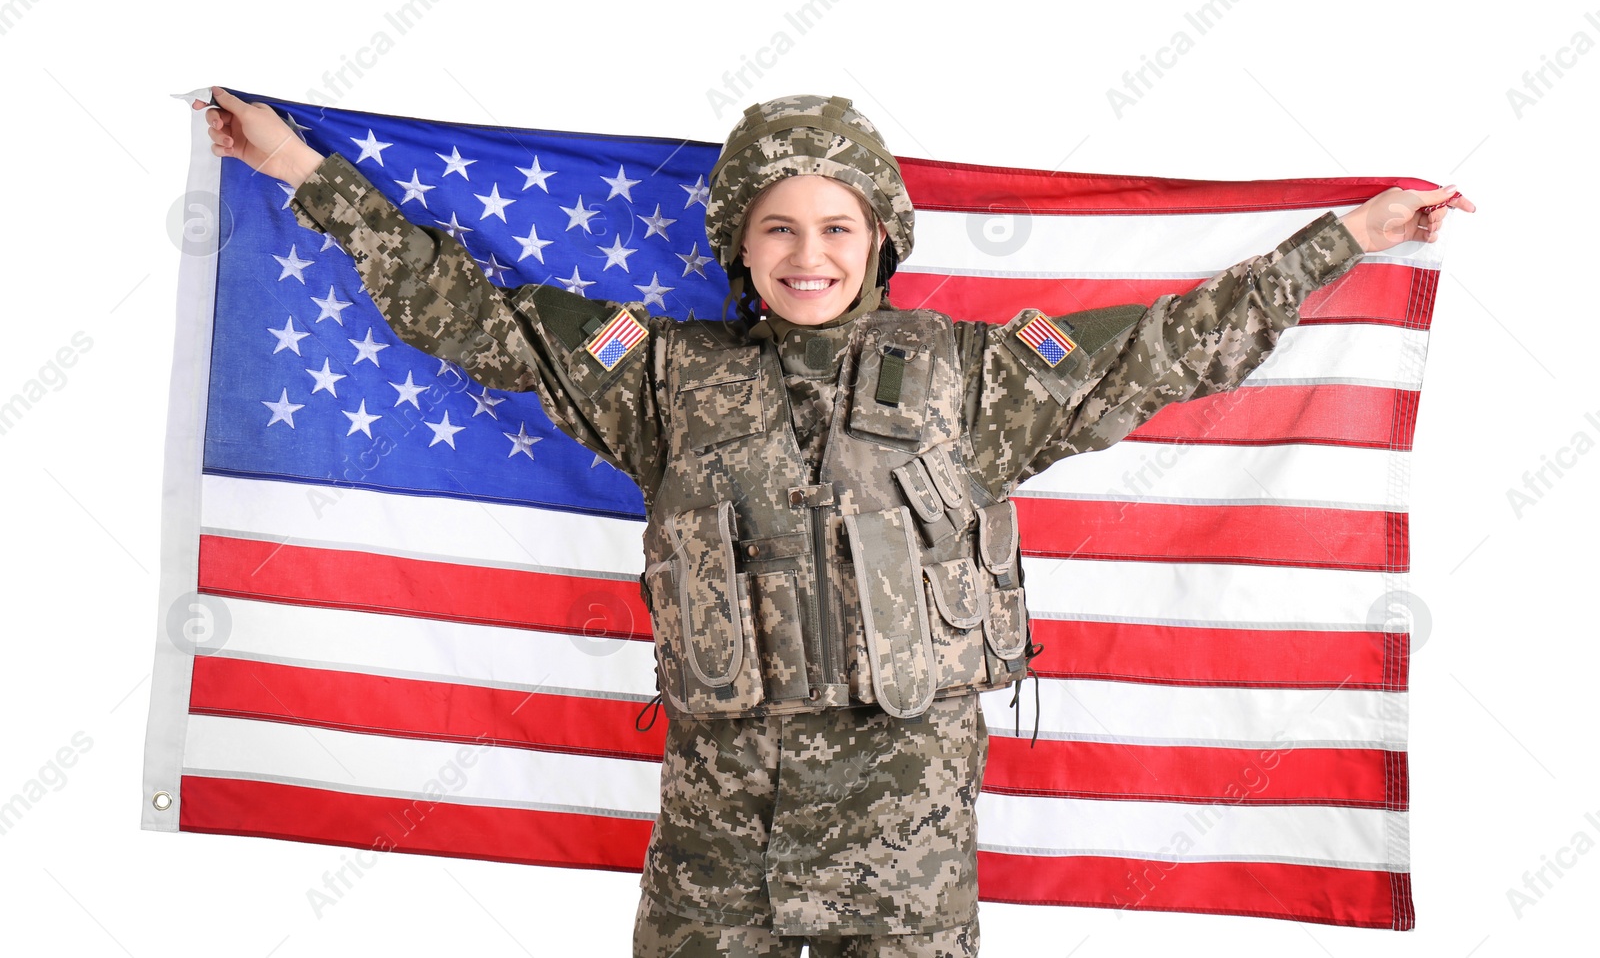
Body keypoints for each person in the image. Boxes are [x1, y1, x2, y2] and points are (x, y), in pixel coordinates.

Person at [195, 86, 1471, 957]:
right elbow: (468, 311)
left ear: (881, 237)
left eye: (836, 227)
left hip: (902, 860)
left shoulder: (978, 378)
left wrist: (1343, 239)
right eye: (777, 229)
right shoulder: (661, 377)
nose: (809, 255)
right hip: (716, 854)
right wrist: (304, 171)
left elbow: (1170, 343)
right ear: (736, 245)